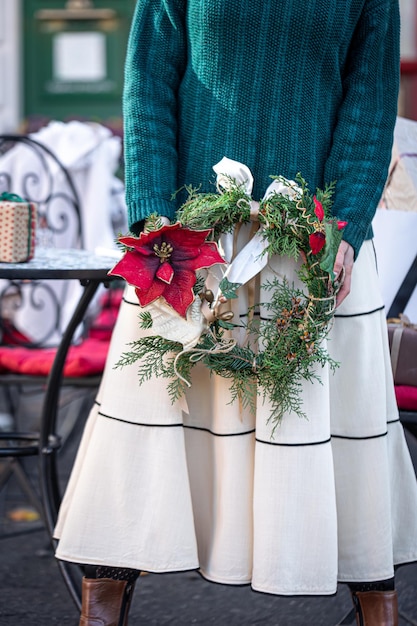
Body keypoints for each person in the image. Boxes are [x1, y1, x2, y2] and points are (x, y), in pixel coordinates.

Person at [54, 1, 417, 625]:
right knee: (147, 418)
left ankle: (376, 606)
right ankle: (103, 601)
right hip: (189, 239)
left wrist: (347, 228)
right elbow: (148, 87)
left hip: (314, 240)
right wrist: (153, 220)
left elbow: (369, 102)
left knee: (339, 427)